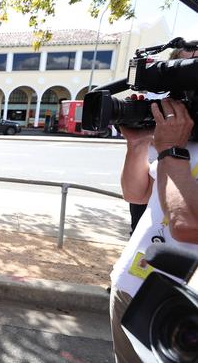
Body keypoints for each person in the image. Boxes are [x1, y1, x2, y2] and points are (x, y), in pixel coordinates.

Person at [109, 43, 198, 363]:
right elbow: (137, 194)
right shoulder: (179, 136)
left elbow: (188, 226)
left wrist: (170, 151)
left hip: (185, 311)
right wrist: (138, 145)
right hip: (133, 287)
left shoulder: (174, 143)